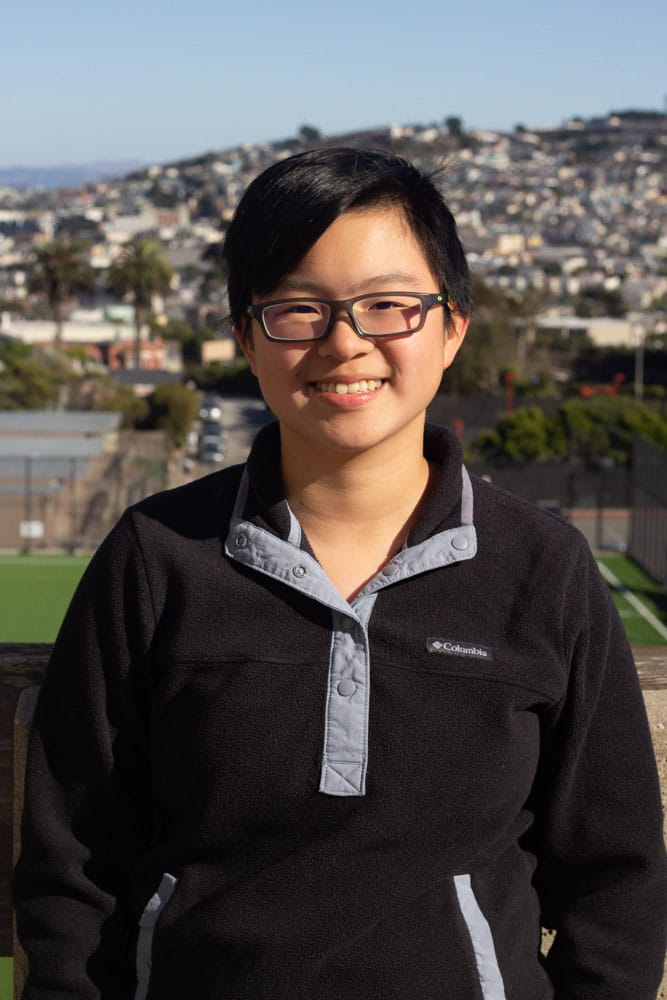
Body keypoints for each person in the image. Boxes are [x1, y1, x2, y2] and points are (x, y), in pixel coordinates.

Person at [14, 147, 666, 999]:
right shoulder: (156, 556)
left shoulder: (544, 570)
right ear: (246, 337)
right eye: (298, 309)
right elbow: (74, 867)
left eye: (387, 306)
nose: (345, 342)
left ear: (452, 327)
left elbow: (615, 882)